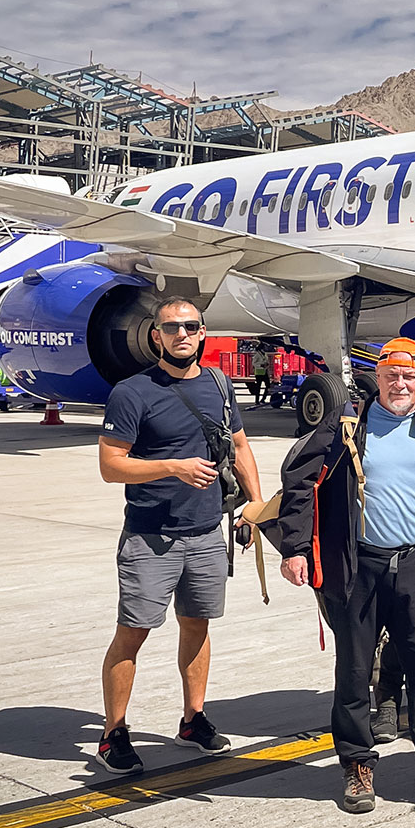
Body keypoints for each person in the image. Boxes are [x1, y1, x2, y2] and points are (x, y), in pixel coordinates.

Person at [274, 339, 415, 813]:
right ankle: (356, 765)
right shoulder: (347, 425)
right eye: (392, 374)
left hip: (414, 570)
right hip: (357, 569)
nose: (400, 383)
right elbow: (299, 483)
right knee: (353, 673)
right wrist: (296, 547)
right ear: (379, 378)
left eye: (410, 376)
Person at [94, 297, 261, 775]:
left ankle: (193, 719)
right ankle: (114, 734)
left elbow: (240, 444)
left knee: (198, 624)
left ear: (203, 332)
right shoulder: (132, 392)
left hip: (208, 532)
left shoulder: (218, 383)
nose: (181, 335)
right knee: (134, 632)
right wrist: (172, 467)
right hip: (151, 537)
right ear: (156, 336)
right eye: (171, 328)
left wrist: (254, 503)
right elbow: (111, 466)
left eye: (190, 326)